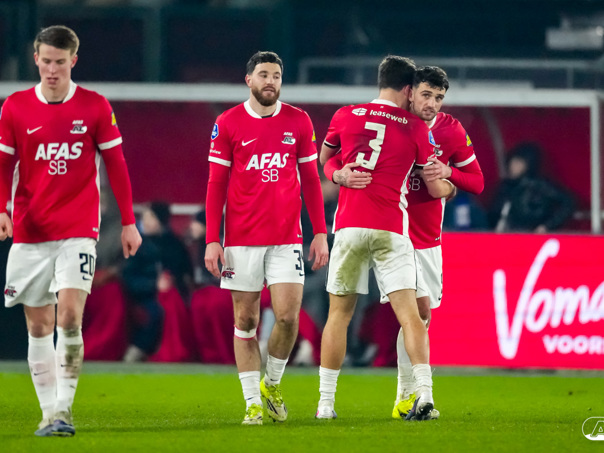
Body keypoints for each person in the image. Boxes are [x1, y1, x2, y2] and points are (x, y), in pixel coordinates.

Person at [0, 25, 142, 437]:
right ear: (36, 59)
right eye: (45, 61)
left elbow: (117, 165)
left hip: (79, 229)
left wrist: (129, 222)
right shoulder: (15, 107)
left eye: (60, 62)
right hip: (30, 231)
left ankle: (63, 410)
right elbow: (4, 165)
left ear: (73, 61)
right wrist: (2, 208)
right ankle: (47, 413)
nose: (52, 69)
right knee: (38, 326)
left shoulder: (95, 106)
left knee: (70, 316)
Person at [325, 66, 484, 420]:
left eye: (439, 98)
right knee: (406, 312)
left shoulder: (450, 129)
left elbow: (477, 182)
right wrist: (338, 173)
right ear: (410, 92)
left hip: (424, 235)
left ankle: (403, 397)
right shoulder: (389, 122)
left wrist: (448, 173)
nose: (432, 104)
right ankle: (412, 395)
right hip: (390, 230)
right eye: (426, 95)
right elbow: (335, 155)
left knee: (421, 315)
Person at [204, 51, 329, 425]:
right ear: (249, 80)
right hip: (241, 240)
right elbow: (216, 183)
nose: (270, 81)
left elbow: (311, 180)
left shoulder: (299, 120)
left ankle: (271, 385)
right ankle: (251, 404)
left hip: (286, 238)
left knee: (288, 318)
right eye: (263, 74)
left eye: (276, 75)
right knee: (245, 320)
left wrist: (320, 232)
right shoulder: (227, 123)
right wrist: (212, 238)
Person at [487, 142, 575, 233]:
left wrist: (547, 226)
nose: (513, 166)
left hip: (533, 235)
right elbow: (495, 214)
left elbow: (568, 203)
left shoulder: (540, 186)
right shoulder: (505, 186)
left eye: (518, 163)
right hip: (508, 234)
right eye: (512, 162)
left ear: (528, 165)